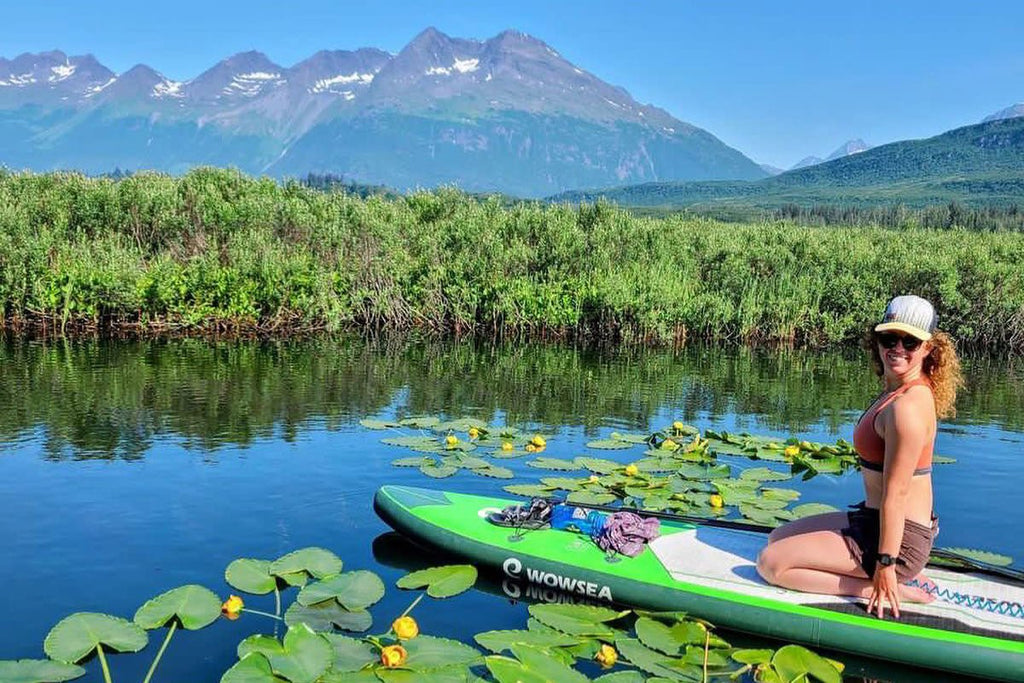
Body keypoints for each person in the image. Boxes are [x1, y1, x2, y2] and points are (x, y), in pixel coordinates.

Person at [756, 294, 962, 619]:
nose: (897, 348)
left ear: (928, 348)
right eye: (889, 338)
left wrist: (886, 565)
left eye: (910, 341)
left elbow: (897, 495)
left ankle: (879, 586)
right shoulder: (898, 391)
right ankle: (890, 571)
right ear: (877, 339)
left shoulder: (907, 408)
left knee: (772, 564)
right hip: (875, 520)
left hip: (898, 541)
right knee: (776, 537)